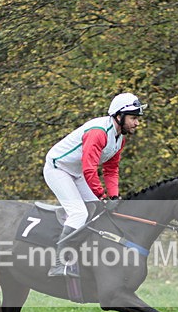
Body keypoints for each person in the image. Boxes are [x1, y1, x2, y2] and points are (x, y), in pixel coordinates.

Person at [43, 92, 147, 277]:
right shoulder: (98, 132)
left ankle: (84, 256)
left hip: (76, 172)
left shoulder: (119, 137)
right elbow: (89, 169)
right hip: (58, 169)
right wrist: (102, 196)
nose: (137, 123)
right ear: (119, 116)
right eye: (133, 118)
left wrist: (113, 196)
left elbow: (111, 169)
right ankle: (58, 264)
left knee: (99, 211)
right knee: (79, 212)